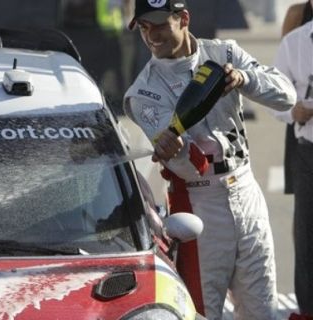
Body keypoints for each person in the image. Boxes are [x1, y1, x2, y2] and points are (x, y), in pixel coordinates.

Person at [123, 0, 297, 319]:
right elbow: (188, 163)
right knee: (204, 311)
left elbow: (287, 95)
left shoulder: (224, 53)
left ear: (184, 18)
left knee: (263, 310)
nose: (152, 36)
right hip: (199, 208)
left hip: (246, 192)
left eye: (161, 24)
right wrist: (173, 149)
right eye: (145, 27)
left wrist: (245, 80)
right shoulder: (142, 93)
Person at [271, 1, 313, 318]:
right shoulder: (298, 23)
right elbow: (282, 87)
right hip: (304, 133)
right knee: (305, 222)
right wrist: (294, 111)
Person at [281, 1, 313, 196]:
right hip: (303, 120)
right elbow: (284, 72)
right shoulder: (298, 13)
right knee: (303, 198)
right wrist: (294, 110)